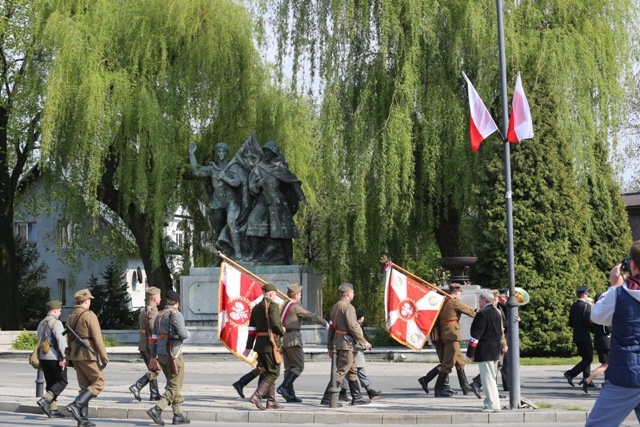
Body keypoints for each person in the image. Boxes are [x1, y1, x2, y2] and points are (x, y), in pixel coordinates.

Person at [586, 243, 640, 426]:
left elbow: (597, 316)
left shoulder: (619, 294)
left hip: (627, 374)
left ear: (632, 265)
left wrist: (614, 286)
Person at [245, 141, 306, 264]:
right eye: (265, 151)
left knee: (284, 229)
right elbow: (251, 186)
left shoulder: (280, 168)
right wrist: (258, 184)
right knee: (253, 222)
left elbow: (293, 182)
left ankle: (289, 258)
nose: (266, 153)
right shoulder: (258, 168)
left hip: (277, 201)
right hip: (263, 199)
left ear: (274, 153)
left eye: (269, 151)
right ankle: (254, 254)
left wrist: (302, 197)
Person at [189, 141, 245, 259]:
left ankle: (238, 252)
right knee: (218, 231)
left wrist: (224, 177)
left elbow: (237, 182)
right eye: (218, 151)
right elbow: (196, 173)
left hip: (231, 201)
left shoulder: (232, 166)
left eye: (223, 151)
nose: (221, 153)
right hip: (217, 202)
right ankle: (222, 255)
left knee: (231, 222)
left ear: (227, 153)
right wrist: (191, 155)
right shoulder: (211, 168)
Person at [320, 282, 372, 407]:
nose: (353, 294)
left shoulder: (335, 306)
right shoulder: (348, 307)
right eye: (353, 293)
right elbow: (353, 326)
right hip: (347, 343)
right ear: (349, 294)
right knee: (341, 371)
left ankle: (357, 397)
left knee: (352, 370)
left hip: (339, 342)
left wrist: (329, 345)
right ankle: (327, 398)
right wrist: (364, 342)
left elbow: (331, 328)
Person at [420, 283, 475, 397]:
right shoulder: (454, 301)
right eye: (460, 292)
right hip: (452, 335)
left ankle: (465, 386)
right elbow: (470, 312)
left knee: (459, 361)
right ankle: (439, 388)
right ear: (458, 292)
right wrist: (483, 314)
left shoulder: (445, 302)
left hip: (447, 334)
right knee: (448, 363)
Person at [277, 283, 328, 403]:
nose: (300, 296)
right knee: (299, 366)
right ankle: (284, 387)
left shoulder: (285, 305)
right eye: (299, 294)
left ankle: (289, 394)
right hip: (293, 339)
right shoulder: (295, 306)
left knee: (289, 368)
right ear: (295, 295)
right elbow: (311, 316)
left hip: (284, 339)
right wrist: (325, 323)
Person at [147, 290, 191, 426]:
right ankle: (157, 409)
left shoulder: (159, 315)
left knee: (173, 384)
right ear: (177, 303)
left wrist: (153, 356)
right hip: (174, 355)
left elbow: (154, 339)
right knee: (175, 386)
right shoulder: (176, 314)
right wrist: (187, 333)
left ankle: (178, 415)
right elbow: (183, 334)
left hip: (162, 355)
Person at [65, 289, 108, 427]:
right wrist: (104, 356)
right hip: (87, 354)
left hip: (75, 355)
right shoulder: (89, 315)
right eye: (89, 300)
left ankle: (82, 420)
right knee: (98, 382)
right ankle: (76, 404)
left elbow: (68, 338)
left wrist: (70, 356)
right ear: (86, 301)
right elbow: (97, 337)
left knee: (84, 387)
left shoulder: (71, 316)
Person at [242, 283, 285, 410]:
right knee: (274, 372)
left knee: (267, 371)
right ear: (272, 294)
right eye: (275, 294)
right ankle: (257, 395)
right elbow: (276, 324)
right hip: (270, 345)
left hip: (259, 345)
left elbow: (251, 330)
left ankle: (271, 401)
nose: (275, 296)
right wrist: (282, 331)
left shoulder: (255, 308)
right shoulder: (273, 306)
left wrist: (248, 347)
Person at [466, 290, 507, 413]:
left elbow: (476, 335)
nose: (478, 302)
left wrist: (470, 352)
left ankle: (492, 405)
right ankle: (493, 403)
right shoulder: (496, 311)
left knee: (487, 379)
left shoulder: (482, 313)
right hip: (495, 349)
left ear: (484, 300)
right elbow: (500, 332)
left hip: (485, 350)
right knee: (491, 379)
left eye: (479, 300)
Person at [338, 309, 381, 401]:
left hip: (356, 352)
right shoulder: (356, 326)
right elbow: (358, 338)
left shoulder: (356, 325)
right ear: (361, 317)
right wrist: (366, 345)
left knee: (351, 373)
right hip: (356, 352)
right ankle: (367, 391)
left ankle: (344, 392)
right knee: (357, 372)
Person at [129, 286, 162, 402]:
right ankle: (137, 386)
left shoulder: (144, 310)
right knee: (155, 369)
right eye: (159, 297)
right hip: (150, 344)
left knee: (151, 368)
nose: (160, 299)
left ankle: (154, 393)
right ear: (154, 298)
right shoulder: (153, 311)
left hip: (144, 343)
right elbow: (154, 328)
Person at [36, 300, 68, 418]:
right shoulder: (56, 323)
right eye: (59, 311)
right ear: (55, 310)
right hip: (54, 357)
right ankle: (45, 399)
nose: (60, 313)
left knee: (51, 383)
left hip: (43, 358)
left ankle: (53, 409)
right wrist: (64, 357)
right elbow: (61, 341)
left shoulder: (41, 323)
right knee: (62, 381)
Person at [563, 285, 593, 387]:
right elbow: (588, 321)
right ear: (584, 294)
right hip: (585, 334)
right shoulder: (586, 306)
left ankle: (587, 379)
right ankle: (571, 373)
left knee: (585, 357)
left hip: (576, 334)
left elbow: (571, 323)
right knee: (588, 358)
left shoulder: (573, 306)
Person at [580, 292, 610, 393]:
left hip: (598, 339)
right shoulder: (602, 313)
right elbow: (606, 329)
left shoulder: (594, 312)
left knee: (606, 363)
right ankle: (588, 380)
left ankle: (607, 382)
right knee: (606, 364)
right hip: (605, 340)